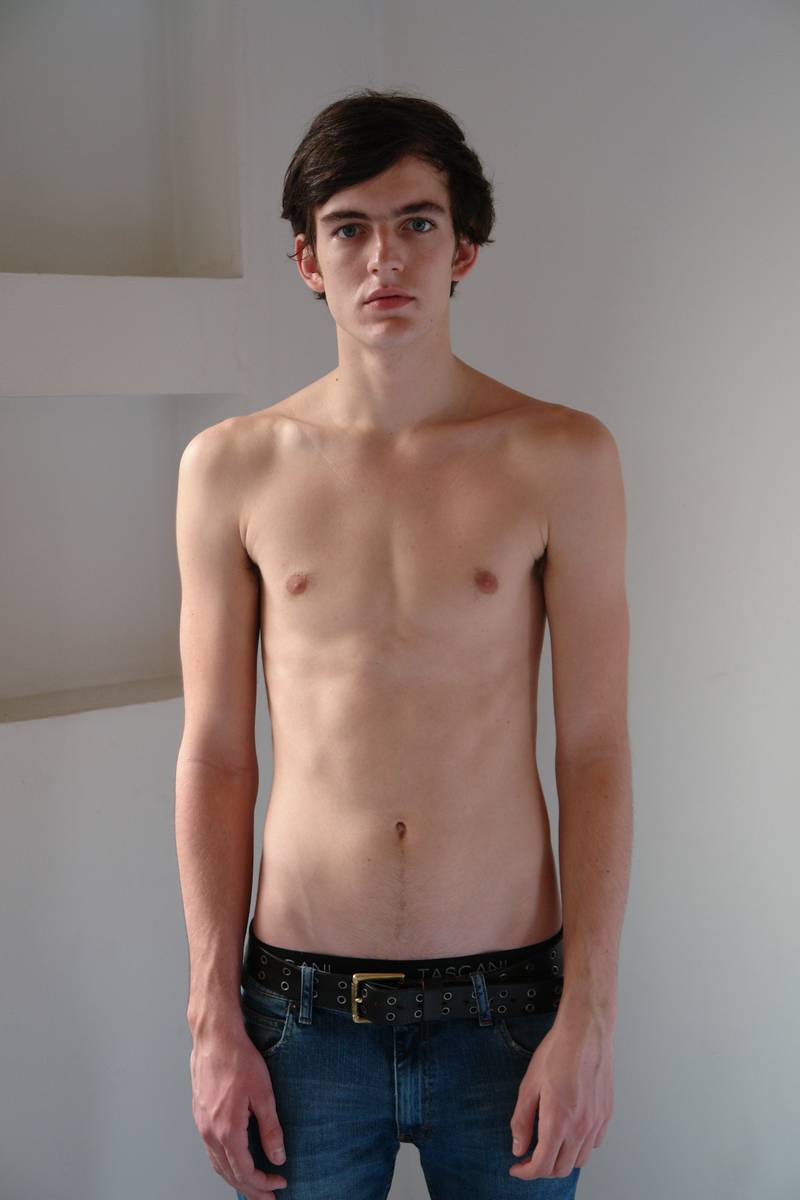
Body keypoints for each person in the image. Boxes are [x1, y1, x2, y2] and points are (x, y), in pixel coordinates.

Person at [175, 88, 632, 1200]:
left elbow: (594, 751)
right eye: (349, 227)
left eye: (417, 222)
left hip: (508, 1013)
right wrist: (211, 1018)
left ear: (463, 247)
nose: (384, 257)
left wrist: (588, 1017)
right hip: (300, 1020)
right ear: (306, 259)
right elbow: (217, 756)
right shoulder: (232, 468)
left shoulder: (559, 457)